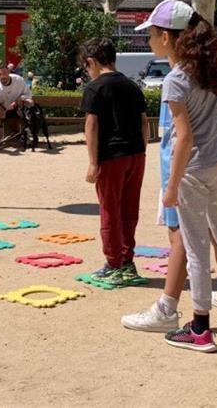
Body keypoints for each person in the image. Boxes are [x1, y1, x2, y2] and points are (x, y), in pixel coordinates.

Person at [134, 0, 217, 353]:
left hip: (193, 170)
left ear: (166, 37)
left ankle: (201, 328)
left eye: (152, 36)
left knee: (196, 248)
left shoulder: (175, 81)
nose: (149, 42)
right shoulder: (210, 74)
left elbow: (184, 137)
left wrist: (171, 186)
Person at [79, 38, 150, 283]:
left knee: (110, 210)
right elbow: (144, 122)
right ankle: (128, 260)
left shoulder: (95, 88)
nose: (88, 73)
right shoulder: (133, 86)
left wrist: (92, 162)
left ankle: (113, 264)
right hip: (135, 156)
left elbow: (92, 124)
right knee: (129, 210)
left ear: (91, 62)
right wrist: (141, 152)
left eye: (87, 67)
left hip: (111, 157)